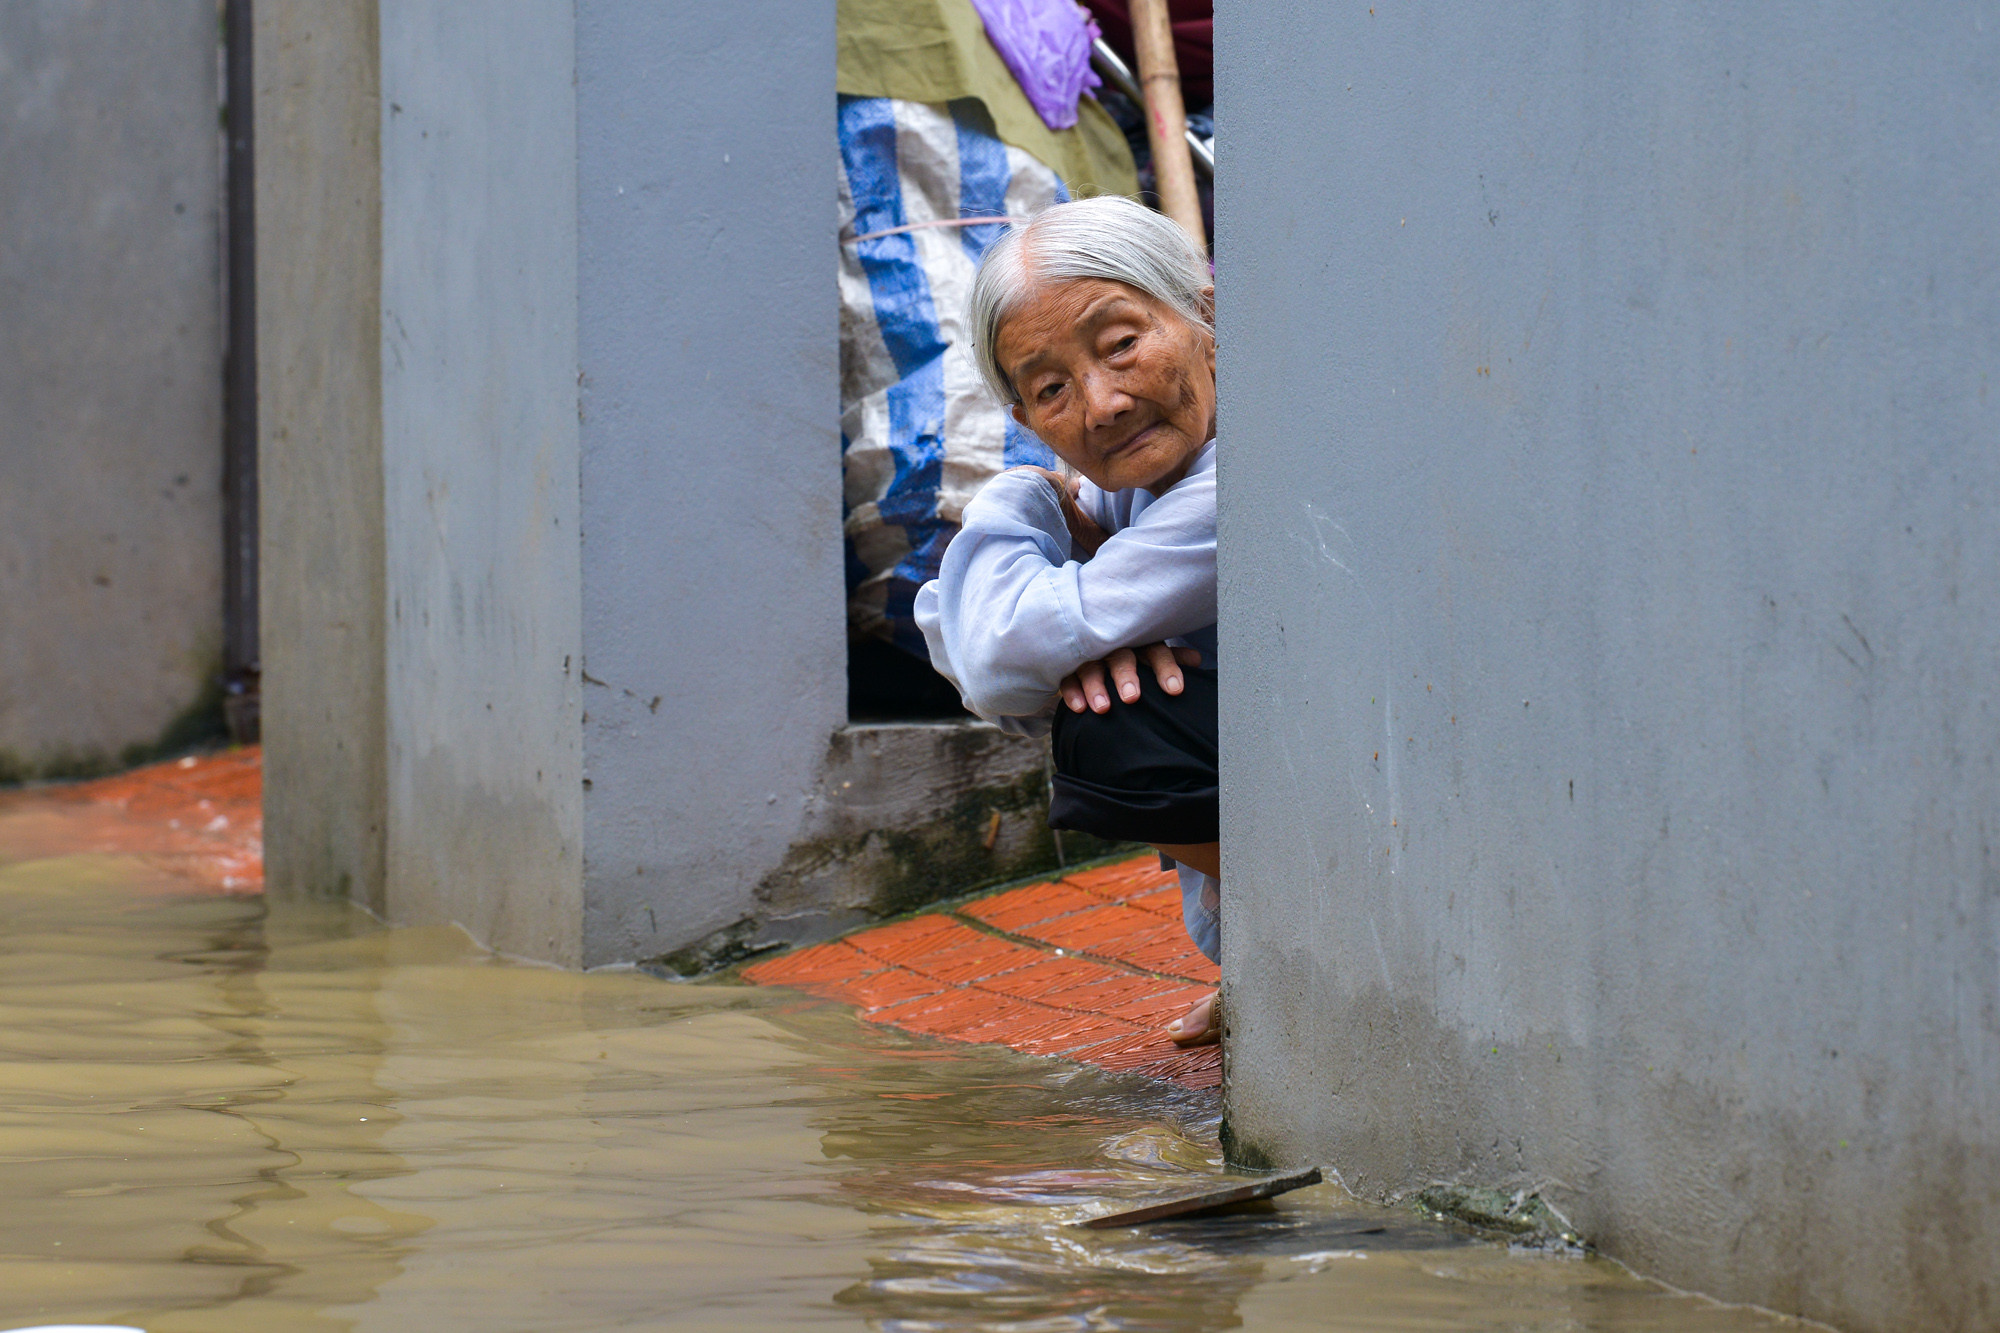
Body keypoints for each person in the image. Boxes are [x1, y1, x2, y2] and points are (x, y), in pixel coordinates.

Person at [915, 195, 1222, 1047]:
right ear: (1024, 421)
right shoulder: (1133, 478)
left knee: (1114, 717)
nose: (1103, 403)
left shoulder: (1244, 473)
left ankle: (1317, 945)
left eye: (1122, 344)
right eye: (1052, 389)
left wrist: (1019, 502)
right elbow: (948, 625)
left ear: (1204, 311)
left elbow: (994, 660)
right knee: (1099, 691)